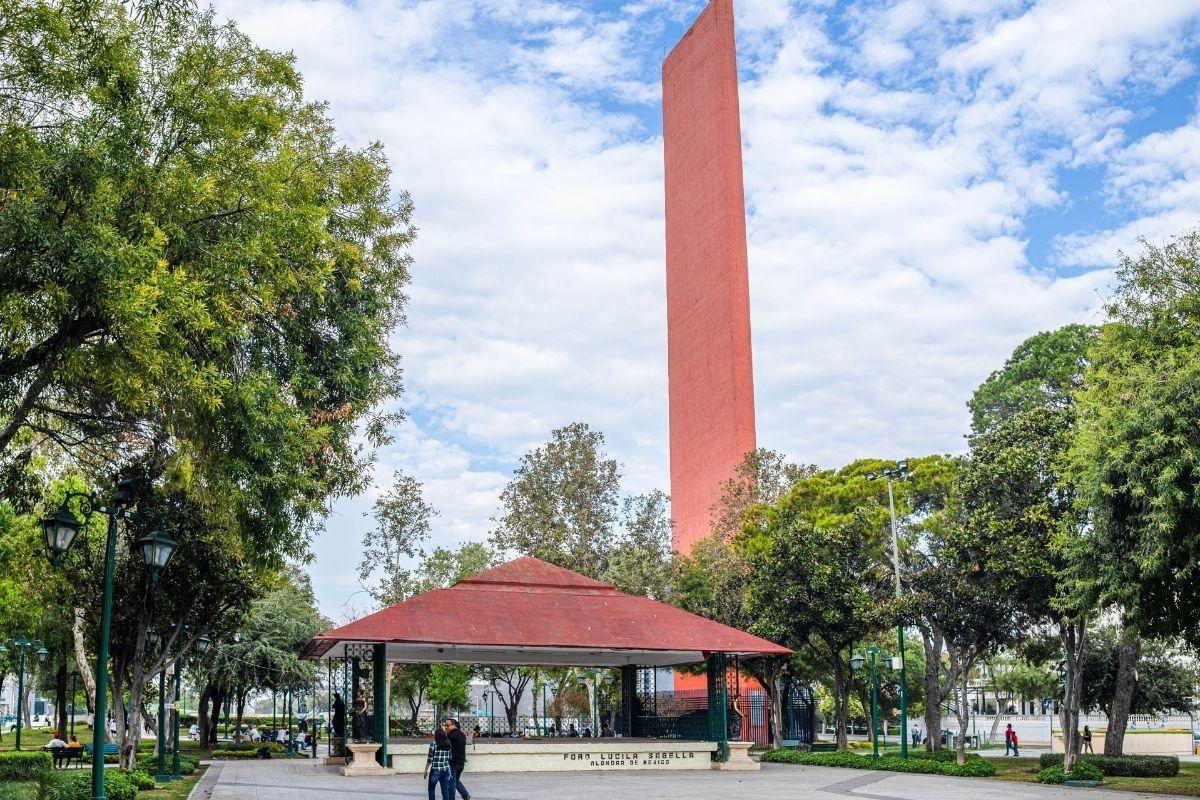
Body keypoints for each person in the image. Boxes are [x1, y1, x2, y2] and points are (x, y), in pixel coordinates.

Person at [425, 728, 456, 800]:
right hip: (446, 770)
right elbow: (450, 757)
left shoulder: (433, 744)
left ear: (436, 735)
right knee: (445, 791)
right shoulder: (448, 743)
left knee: (431, 789)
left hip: (436, 770)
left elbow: (429, 759)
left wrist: (425, 770)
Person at [445, 719, 471, 800]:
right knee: (456, 781)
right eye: (445, 725)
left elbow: (446, 747)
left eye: (447, 725)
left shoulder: (450, 735)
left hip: (453, 762)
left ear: (453, 725)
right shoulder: (462, 734)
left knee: (451, 783)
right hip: (461, 762)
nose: (446, 727)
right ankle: (465, 795)